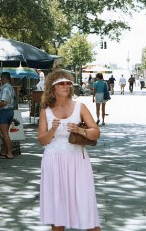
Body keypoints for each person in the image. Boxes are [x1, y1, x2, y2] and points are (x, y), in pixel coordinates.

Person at [37, 69, 101, 231]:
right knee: (57, 211)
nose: (66, 86)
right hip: (53, 161)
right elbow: (42, 141)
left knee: (86, 208)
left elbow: (96, 133)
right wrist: (52, 130)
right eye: (61, 84)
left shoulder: (80, 107)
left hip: (77, 161)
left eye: (68, 83)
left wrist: (80, 131)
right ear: (53, 88)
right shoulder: (46, 111)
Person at [0, 72, 15, 159]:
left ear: (4, 78)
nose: (0, 80)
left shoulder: (5, 89)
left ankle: (9, 152)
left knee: (4, 133)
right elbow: (2, 92)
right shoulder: (9, 87)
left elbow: (4, 102)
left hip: (4, 112)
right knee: (5, 133)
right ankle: (4, 151)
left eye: (1, 78)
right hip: (10, 111)